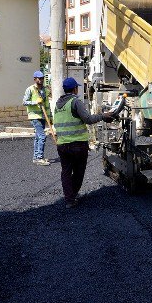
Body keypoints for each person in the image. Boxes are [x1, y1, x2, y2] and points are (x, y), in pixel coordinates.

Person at [53, 77, 115, 208]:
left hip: (62, 145)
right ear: (75, 89)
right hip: (77, 144)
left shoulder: (58, 105)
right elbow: (88, 119)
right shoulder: (75, 102)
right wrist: (103, 116)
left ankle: (69, 199)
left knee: (65, 172)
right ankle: (73, 195)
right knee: (79, 171)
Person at [22, 70, 50, 166]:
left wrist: (49, 117)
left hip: (42, 116)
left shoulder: (45, 90)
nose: (41, 80)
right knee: (42, 136)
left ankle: (36, 157)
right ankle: (39, 157)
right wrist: (35, 102)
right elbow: (24, 102)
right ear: (35, 79)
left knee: (38, 137)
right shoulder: (30, 89)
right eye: (39, 78)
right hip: (34, 116)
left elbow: (47, 105)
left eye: (42, 78)